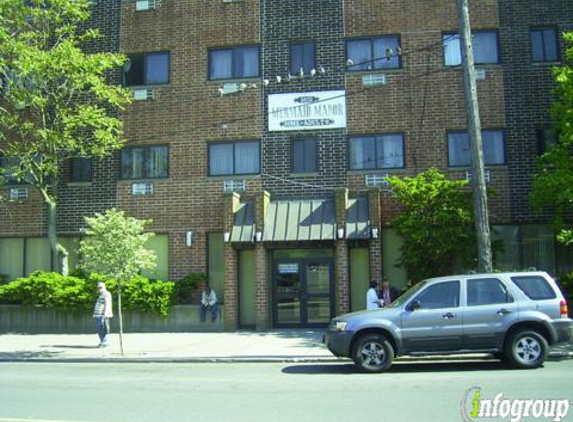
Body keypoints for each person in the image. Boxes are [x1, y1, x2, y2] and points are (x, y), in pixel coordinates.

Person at [93, 282, 113, 348]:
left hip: (102, 315)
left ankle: (105, 342)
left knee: (102, 328)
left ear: (104, 287)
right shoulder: (101, 294)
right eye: (98, 287)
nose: (99, 289)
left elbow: (108, 304)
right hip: (97, 315)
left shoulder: (106, 294)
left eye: (101, 287)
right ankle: (103, 341)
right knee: (99, 329)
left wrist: (106, 314)